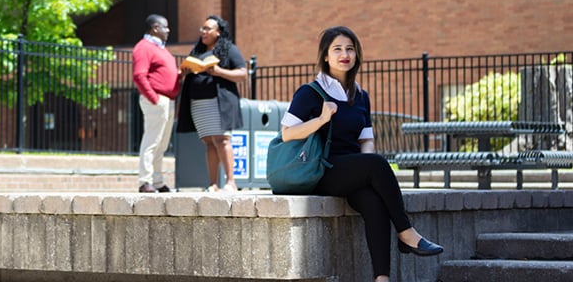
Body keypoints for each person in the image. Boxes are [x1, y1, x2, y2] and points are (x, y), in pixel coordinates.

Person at [280, 26, 443, 282]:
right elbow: (288, 133)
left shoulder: (360, 95)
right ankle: (406, 233)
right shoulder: (311, 92)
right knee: (376, 164)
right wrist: (322, 119)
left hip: (351, 170)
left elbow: (366, 140)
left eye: (350, 48)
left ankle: (381, 278)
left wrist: (365, 166)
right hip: (321, 170)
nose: (345, 54)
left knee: (373, 201)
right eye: (337, 49)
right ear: (325, 56)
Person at [176, 15, 248, 192]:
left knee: (222, 139)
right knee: (209, 141)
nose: (204, 32)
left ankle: (231, 182)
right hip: (198, 103)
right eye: (202, 29)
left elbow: (243, 74)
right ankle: (213, 184)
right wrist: (184, 72)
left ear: (219, 32)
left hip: (219, 102)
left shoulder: (229, 49)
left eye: (208, 29)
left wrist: (218, 72)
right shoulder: (197, 51)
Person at [132, 14, 181, 193]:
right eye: (164, 27)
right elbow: (139, 75)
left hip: (167, 101)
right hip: (157, 100)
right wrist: (153, 98)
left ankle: (158, 181)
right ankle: (145, 181)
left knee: (162, 143)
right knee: (152, 140)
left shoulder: (161, 49)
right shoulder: (144, 48)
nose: (168, 30)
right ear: (154, 28)